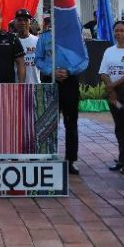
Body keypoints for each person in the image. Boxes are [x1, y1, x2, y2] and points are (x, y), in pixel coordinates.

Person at [35, 17, 81, 175]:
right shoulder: (44, 37)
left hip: (69, 81)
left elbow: (83, 60)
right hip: (50, 81)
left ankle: (71, 160)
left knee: (71, 122)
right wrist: (51, 71)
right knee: (47, 121)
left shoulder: (75, 39)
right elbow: (38, 59)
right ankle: (47, 156)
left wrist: (69, 71)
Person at [99, 21, 124, 174]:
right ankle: (122, 158)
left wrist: (113, 86)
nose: (119, 33)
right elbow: (103, 72)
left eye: (122, 30)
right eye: (116, 30)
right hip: (113, 94)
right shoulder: (109, 50)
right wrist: (111, 90)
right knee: (119, 127)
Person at [14, 9, 40, 84]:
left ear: (30, 22)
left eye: (26, 20)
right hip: (16, 86)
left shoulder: (38, 41)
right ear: (15, 22)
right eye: (19, 20)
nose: (22, 22)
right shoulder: (11, 41)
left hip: (35, 85)